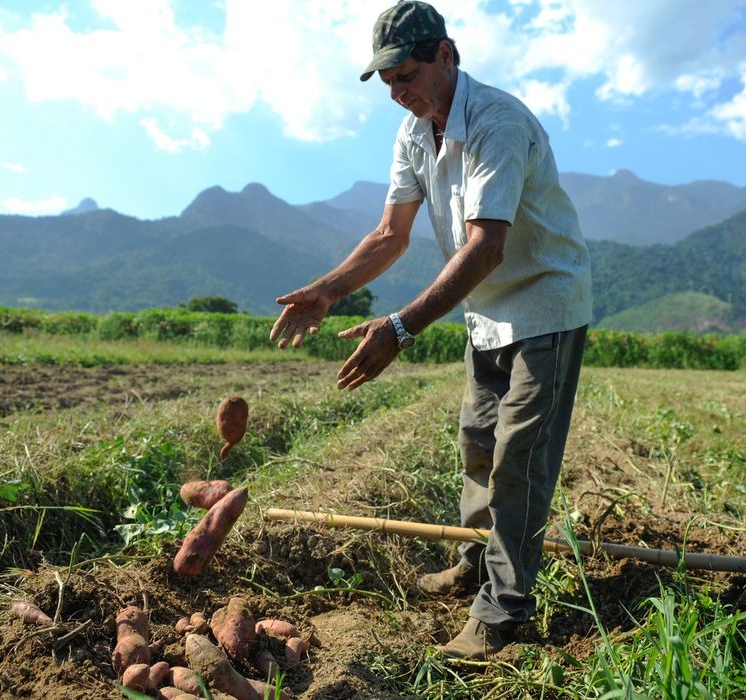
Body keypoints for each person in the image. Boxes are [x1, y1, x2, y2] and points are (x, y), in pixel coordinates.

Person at [269, 0, 593, 660]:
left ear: (446, 55)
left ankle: (504, 610)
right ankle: (480, 559)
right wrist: (330, 290)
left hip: (545, 307)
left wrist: (400, 328)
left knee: (518, 461)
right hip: (487, 311)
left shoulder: (498, 122)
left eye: (406, 76)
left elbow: (485, 248)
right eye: (387, 82)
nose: (397, 93)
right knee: (477, 442)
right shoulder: (416, 132)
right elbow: (391, 234)